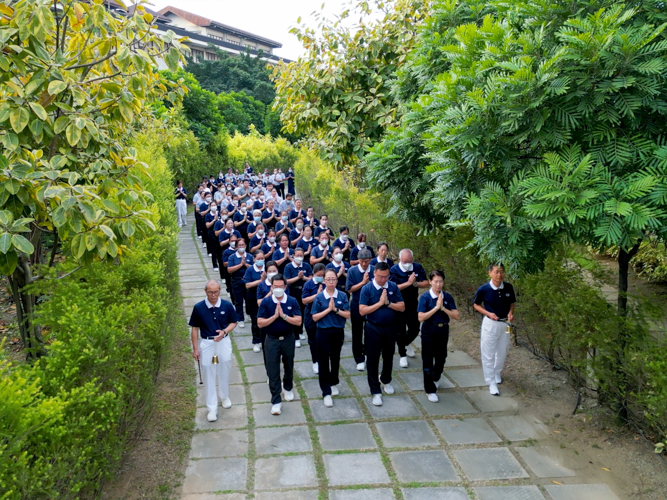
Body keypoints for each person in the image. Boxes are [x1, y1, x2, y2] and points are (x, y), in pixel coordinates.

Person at [189, 279, 238, 422]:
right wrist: (195, 348)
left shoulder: (227, 305)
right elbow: (194, 328)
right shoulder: (199, 307)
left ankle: (224, 396)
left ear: (219, 291)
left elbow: (233, 322)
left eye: (216, 292)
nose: (213, 295)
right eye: (210, 292)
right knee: (208, 375)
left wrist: (224, 332)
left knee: (225, 369)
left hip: (223, 341)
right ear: (205, 292)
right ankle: (212, 408)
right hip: (207, 343)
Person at [359, 262, 405, 406]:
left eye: (386, 277)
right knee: (373, 359)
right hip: (373, 328)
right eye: (380, 277)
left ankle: (386, 380)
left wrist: (388, 304)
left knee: (389, 356)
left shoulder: (392, 287)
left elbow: (402, 307)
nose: (383, 279)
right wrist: (379, 303)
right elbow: (362, 310)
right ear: (374, 274)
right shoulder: (367, 288)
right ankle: (375, 390)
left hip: (390, 328)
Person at [257, 274, 302, 415]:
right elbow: (260, 323)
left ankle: (287, 387)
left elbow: (298, 321)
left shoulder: (292, 301)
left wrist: (284, 316)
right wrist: (274, 317)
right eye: (275, 286)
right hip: (271, 340)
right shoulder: (266, 302)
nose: (277, 289)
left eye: (280, 287)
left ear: (285, 287)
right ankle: (276, 400)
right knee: (273, 369)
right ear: (271, 287)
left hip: (288, 338)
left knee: (289, 365)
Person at [473, 263, 516, 396]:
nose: (499, 275)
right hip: (491, 323)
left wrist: (510, 313)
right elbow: (476, 304)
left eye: (502, 272)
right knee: (488, 353)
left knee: (502, 350)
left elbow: (512, 303)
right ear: (490, 273)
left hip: (505, 324)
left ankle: (497, 372)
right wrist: (487, 313)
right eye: (496, 272)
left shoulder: (508, 287)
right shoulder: (484, 289)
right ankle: (490, 381)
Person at [417, 270, 460, 402]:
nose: (438, 284)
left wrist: (443, 308)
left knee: (441, 358)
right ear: (430, 282)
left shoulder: (447, 297)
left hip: (443, 330)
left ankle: (435, 378)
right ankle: (429, 389)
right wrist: (435, 308)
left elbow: (456, 316)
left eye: (440, 281)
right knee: (428, 360)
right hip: (429, 330)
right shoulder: (425, 297)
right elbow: (420, 317)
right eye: (435, 281)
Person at [311, 269, 351, 407]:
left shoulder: (342, 295)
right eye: (328, 279)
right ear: (324, 280)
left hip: (337, 331)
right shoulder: (319, 297)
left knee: (335, 358)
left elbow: (347, 314)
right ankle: (325, 392)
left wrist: (336, 310)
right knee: (323, 361)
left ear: (337, 280)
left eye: (333, 279)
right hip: (323, 332)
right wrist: (328, 309)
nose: (331, 282)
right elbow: (314, 317)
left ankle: (334, 382)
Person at [390, 249, 429, 368]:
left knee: (415, 328)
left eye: (409, 261)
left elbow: (426, 282)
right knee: (400, 330)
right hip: (399, 304)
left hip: (413, 303)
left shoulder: (417, 267)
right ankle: (403, 355)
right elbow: (393, 287)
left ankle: (405, 343)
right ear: (400, 259)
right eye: (405, 261)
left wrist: (415, 284)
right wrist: (408, 283)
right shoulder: (394, 270)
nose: (407, 263)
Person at [346, 249, 374, 371]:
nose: (364, 264)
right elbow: (349, 289)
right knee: (357, 332)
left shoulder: (374, 270)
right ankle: (358, 358)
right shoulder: (352, 271)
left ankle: (369, 353)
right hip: (357, 304)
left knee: (370, 330)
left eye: (366, 261)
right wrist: (363, 282)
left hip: (371, 305)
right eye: (362, 261)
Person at [283, 247, 313, 347]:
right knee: (294, 313)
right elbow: (286, 281)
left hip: (305, 291)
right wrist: (298, 277)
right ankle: (295, 337)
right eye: (297, 255)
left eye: (301, 255)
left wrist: (304, 278)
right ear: (293, 256)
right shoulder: (288, 266)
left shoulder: (306, 265)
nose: (299, 257)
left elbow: (311, 278)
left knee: (304, 312)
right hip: (293, 291)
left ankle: (300, 331)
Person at [302, 264, 325, 374]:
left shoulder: (327, 283)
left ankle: (323, 360)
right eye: (318, 275)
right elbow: (304, 300)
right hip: (310, 313)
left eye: (322, 275)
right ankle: (315, 361)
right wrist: (317, 295)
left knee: (323, 339)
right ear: (314, 274)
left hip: (324, 314)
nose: (321, 277)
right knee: (313, 339)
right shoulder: (308, 284)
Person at [227, 238, 254, 329]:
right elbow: (229, 269)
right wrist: (241, 264)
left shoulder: (250, 256)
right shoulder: (232, 257)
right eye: (239, 245)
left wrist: (246, 265)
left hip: (248, 281)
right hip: (236, 281)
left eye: (243, 245)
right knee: (238, 301)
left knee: (249, 299)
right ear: (236, 247)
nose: (241, 247)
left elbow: (254, 268)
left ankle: (249, 314)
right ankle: (240, 318)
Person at [244, 250, 266, 353]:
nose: (260, 261)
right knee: (255, 319)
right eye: (258, 259)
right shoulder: (250, 270)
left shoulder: (268, 269)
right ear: (254, 259)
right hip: (253, 296)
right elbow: (247, 285)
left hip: (266, 296)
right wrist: (260, 281)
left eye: (262, 259)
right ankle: (256, 341)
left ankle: (266, 339)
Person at [204, 201, 220, 270]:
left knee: (219, 250)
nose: (214, 206)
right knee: (213, 250)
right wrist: (214, 220)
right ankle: (215, 264)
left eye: (215, 205)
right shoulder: (208, 215)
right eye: (212, 205)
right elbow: (207, 225)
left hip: (219, 233)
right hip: (211, 233)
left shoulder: (219, 213)